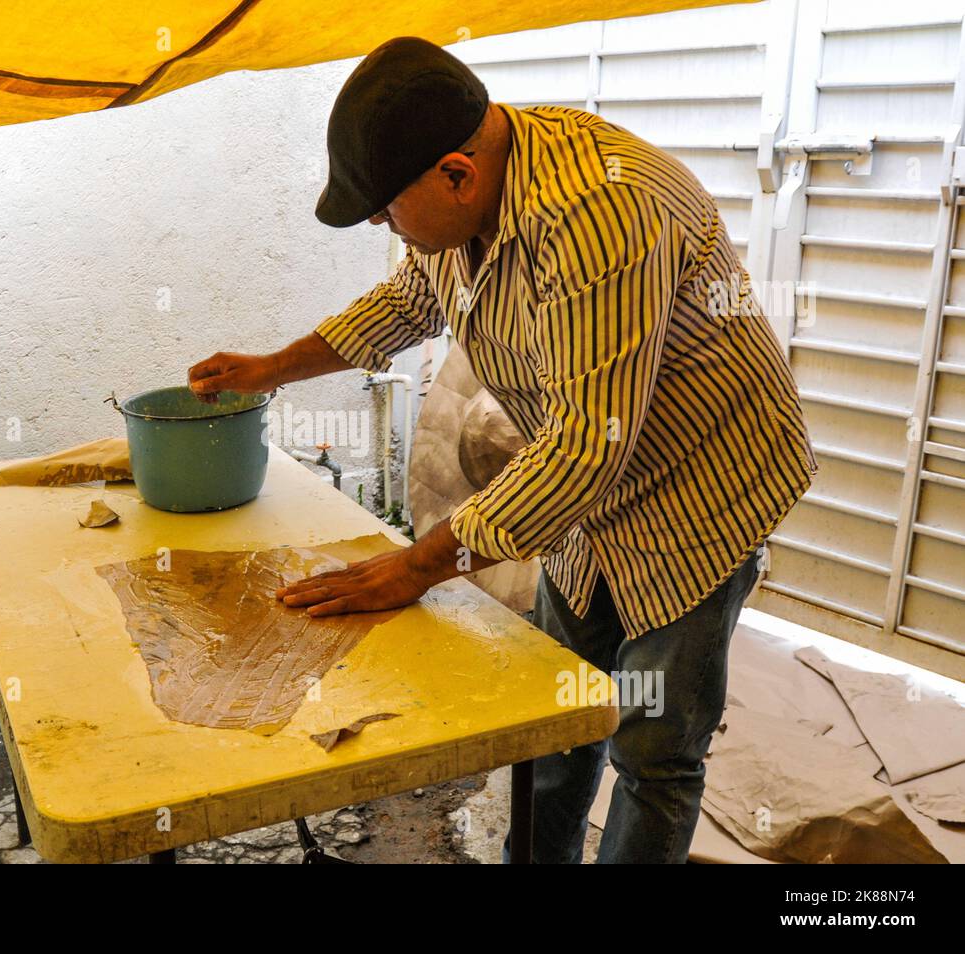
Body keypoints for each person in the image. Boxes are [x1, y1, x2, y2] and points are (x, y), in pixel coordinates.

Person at [187, 36, 817, 863]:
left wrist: (415, 568)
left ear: (456, 174)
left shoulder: (602, 211)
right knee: (554, 719)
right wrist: (273, 369)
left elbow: (590, 446)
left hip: (698, 490)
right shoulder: (462, 213)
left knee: (654, 754)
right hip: (586, 498)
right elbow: (408, 302)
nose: (381, 223)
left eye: (384, 207)